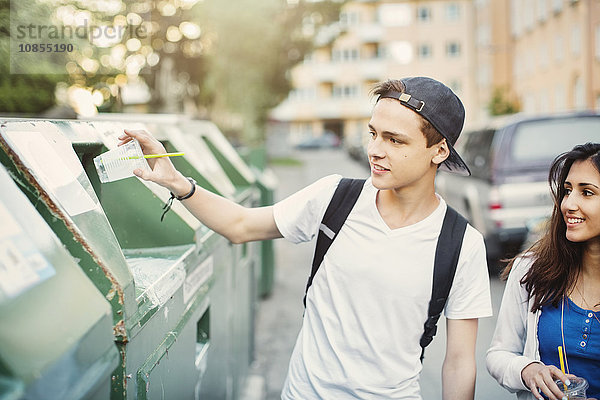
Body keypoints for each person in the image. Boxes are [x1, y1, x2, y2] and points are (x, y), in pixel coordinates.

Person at [120, 76, 492, 399]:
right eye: (373, 134)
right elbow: (240, 225)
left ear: (439, 150)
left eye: (395, 141)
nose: (375, 150)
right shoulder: (335, 198)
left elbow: (459, 363)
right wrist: (177, 183)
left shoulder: (461, 244)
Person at [487, 143, 600, 400]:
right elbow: (498, 354)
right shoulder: (531, 269)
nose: (568, 204)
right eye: (568, 191)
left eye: (587, 193)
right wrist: (527, 369)